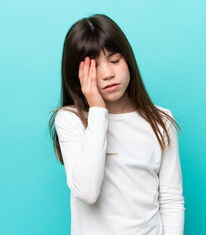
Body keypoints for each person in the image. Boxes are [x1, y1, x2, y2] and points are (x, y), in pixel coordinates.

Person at [48, 13, 185, 235]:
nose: (108, 74)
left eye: (114, 61)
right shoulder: (71, 119)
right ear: (77, 75)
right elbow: (88, 192)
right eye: (93, 68)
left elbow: (171, 199)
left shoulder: (160, 121)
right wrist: (98, 110)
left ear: (128, 60)